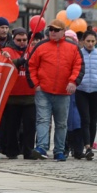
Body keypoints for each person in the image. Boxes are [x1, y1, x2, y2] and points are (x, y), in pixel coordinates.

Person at [27, 19, 81, 161]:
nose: (53, 32)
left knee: (61, 123)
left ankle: (59, 151)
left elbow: (79, 66)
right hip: (43, 91)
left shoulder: (73, 47)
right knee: (42, 120)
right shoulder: (41, 46)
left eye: (56, 30)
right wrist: (35, 84)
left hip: (63, 93)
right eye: (51, 29)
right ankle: (42, 147)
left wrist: (73, 81)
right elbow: (31, 65)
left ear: (63, 31)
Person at [0, 27, 38, 159]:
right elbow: (3, 66)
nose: (22, 42)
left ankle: (28, 150)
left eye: (24, 40)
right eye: (19, 40)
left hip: (30, 96)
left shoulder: (32, 51)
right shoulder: (6, 51)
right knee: (12, 126)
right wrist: (17, 62)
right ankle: (12, 151)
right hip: (12, 96)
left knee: (30, 126)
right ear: (13, 39)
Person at [72, 29, 97, 160]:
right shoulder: (78, 53)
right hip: (82, 90)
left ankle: (90, 146)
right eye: (88, 41)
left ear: (96, 41)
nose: (90, 44)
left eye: (93, 41)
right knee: (84, 119)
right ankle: (87, 146)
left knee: (93, 120)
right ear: (82, 41)